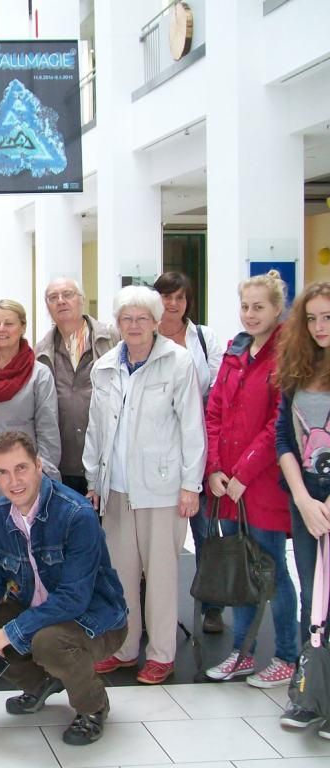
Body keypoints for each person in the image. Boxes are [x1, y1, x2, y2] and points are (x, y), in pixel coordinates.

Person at [0, 431, 128, 746]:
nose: (13, 481)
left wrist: (5, 635)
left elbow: (73, 599)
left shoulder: (76, 514)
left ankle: (93, 705)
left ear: (38, 465)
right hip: (37, 613)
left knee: (48, 642)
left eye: (20, 468)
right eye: (3, 473)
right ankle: (42, 684)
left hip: (96, 621)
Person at [83, 285, 205, 685]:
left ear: (155, 322)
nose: (133, 326)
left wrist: (191, 485)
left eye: (142, 319)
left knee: (161, 575)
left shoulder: (178, 362)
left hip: (162, 490)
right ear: (117, 324)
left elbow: (191, 426)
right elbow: (96, 431)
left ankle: (161, 654)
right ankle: (123, 647)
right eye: (126, 319)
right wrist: (94, 480)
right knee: (120, 576)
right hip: (115, 489)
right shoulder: (104, 367)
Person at [205, 271, 296, 687]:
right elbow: (216, 412)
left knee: (271, 570)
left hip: (263, 485)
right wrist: (216, 470)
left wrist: (242, 472)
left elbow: (278, 423)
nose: (251, 314)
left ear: (278, 309)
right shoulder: (234, 351)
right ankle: (242, 653)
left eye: (259, 306)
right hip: (228, 487)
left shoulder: (288, 356)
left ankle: (287, 655)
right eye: (245, 306)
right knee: (240, 571)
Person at [0, 299, 60, 590]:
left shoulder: (39, 375)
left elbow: (48, 433)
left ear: (23, 328)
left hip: (21, 481)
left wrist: (45, 483)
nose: (1, 329)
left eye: (8, 323)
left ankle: (19, 630)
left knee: (21, 564)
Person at [153, 271, 226, 634]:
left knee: (204, 531)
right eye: (166, 296)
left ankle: (211, 604)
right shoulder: (144, 337)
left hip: (197, 446)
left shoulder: (203, 337)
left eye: (180, 297)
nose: (173, 304)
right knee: (158, 535)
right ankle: (152, 606)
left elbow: (215, 388)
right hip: (157, 448)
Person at [275, 280, 330, 736]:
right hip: (305, 498)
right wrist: (302, 498)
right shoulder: (297, 367)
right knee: (313, 598)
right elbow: (283, 439)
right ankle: (309, 695)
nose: (319, 326)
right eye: (311, 318)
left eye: (328, 317)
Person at [35, 277, 117, 495]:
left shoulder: (112, 340)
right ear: (48, 307)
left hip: (108, 464)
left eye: (68, 295)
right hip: (62, 467)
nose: (61, 301)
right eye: (53, 298)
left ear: (82, 300)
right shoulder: (41, 353)